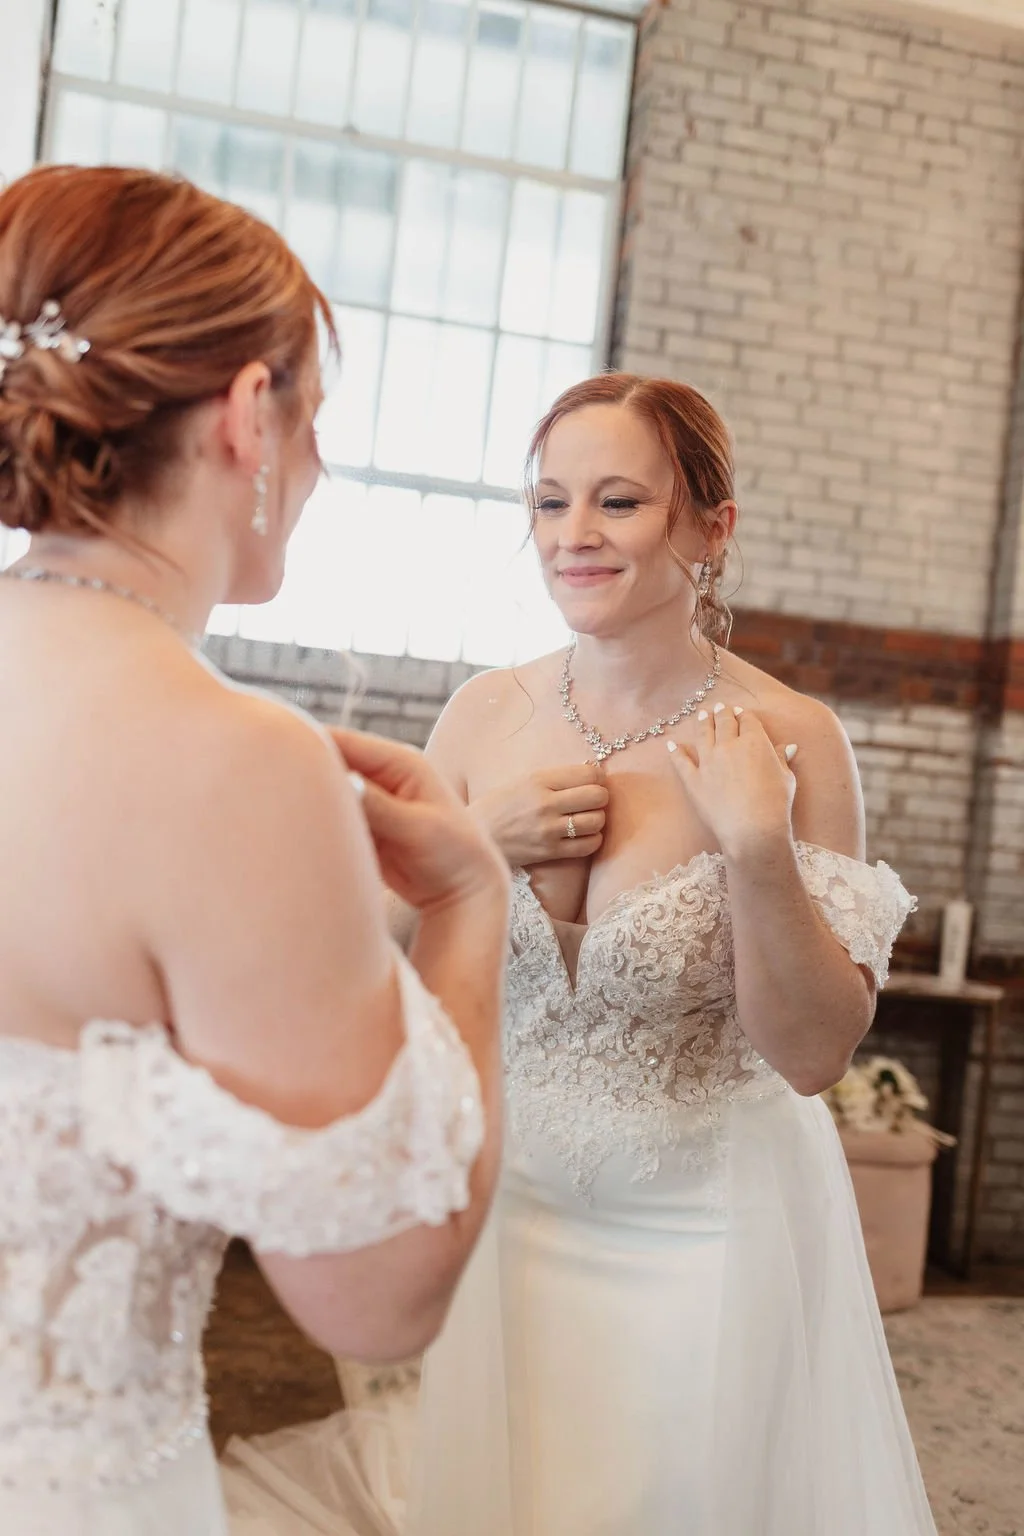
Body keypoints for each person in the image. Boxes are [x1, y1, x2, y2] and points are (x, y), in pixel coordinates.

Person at [223, 373, 938, 1535]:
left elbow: (811, 1054)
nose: (573, 537)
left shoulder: (795, 739)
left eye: (618, 502)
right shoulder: (480, 717)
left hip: (710, 1232)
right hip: (513, 1219)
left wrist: (756, 847)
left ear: (711, 528)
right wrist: (469, 852)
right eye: (549, 504)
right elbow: (374, 978)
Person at [0, 163, 507, 1536]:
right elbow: (381, 1294)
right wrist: (469, 908)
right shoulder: (228, 761)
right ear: (249, 414)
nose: (321, 461)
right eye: (319, 417)